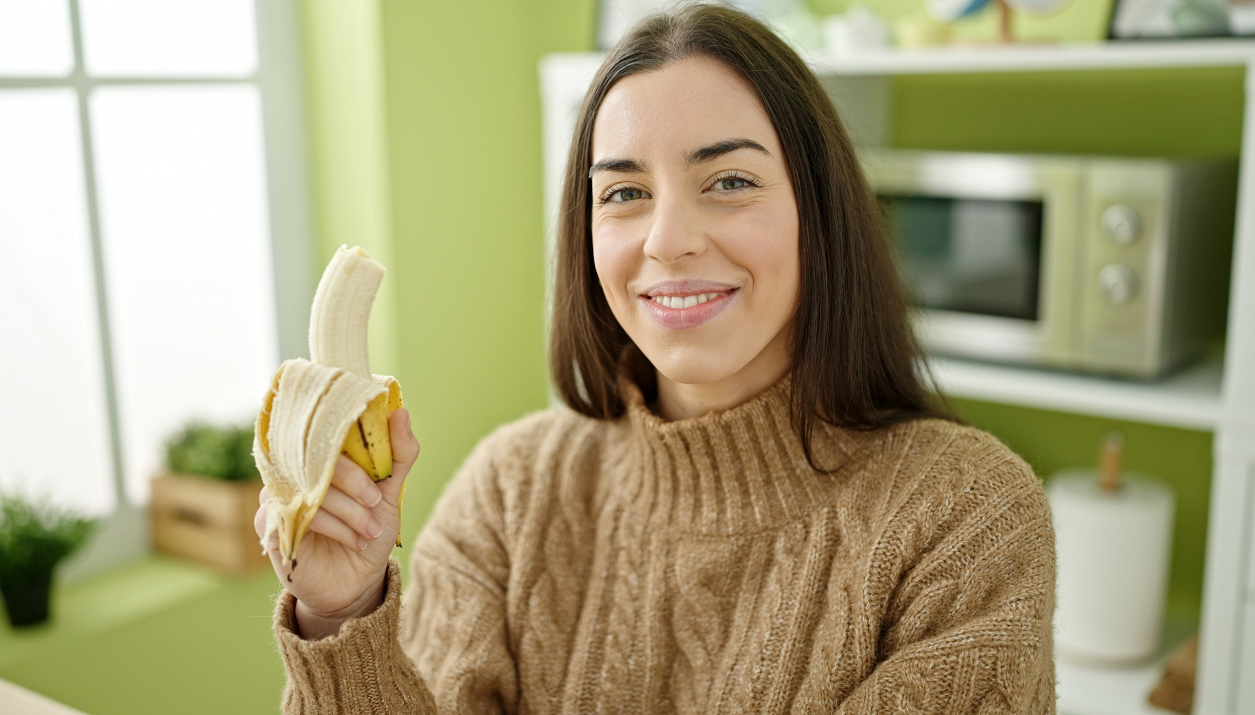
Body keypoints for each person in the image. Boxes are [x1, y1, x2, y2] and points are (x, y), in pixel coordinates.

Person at [255, 5, 1057, 713]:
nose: (668, 240)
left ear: (820, 212)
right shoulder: (510, 491)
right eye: (625, 193)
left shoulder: (965, 517)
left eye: (730, 180)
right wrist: (343, 612)